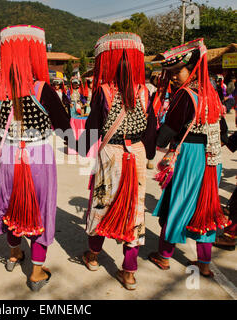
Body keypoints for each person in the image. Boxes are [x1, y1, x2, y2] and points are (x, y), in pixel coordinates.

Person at [0, 25, 76, 291]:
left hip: (10, 157)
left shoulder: (0, 93)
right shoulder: (42, 90)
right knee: (40, 208)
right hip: (38, 155)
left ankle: (14, 254)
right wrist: (84, 148)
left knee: (13, 204)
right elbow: (65, 129)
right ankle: (37, 271)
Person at [148, 39, 230, 278]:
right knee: (207, 206)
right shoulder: (211, 93)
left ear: (192, 68)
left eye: (177, 72)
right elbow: (223, 131)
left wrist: (152, 140)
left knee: (179, 201)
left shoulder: (185, 95)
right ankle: (204, 263)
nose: (173, 77)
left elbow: (166, 133)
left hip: (191, 157)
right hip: (212, 158)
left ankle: (164, 255)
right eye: (171, 73)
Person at [78, 32, 153, 290]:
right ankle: (129, 272)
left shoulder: (104, 92)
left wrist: (78, 148)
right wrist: (149, 154)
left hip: (111, 154)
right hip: (138, 154)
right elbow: (151, 129)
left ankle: (93, 256)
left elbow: (92, 129)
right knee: (135, 211)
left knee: (101, 204)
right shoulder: (145, 92)